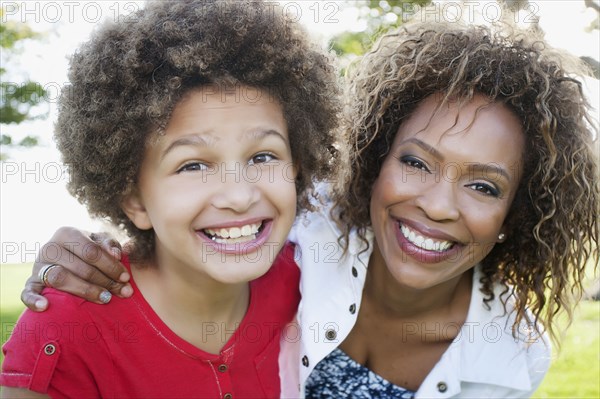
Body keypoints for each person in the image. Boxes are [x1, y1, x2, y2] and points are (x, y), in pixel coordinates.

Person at [16, 19, 599, 399]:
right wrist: (83, 248)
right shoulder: (303, 232)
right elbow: (204, 214)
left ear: (516, 214)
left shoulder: (510, 358)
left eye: (485, 187)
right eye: (417, 163)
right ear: (373, 162)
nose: (437, 205)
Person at [0, 1, 341, 398]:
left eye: (263, 156)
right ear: (135, 200)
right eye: (193, 165)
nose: (239, 195)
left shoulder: (312, 283)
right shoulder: (64, 329)